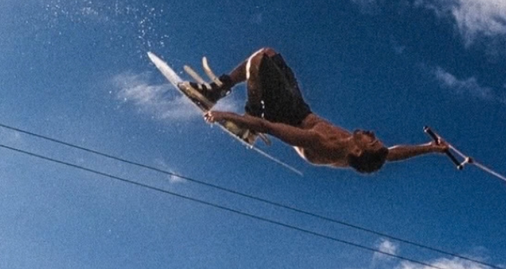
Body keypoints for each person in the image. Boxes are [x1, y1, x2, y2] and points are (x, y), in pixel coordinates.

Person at [187, 48, 448, 174]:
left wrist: (226, 116)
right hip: (301, 107)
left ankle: (219, 98)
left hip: (285, 116)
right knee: (270, 53)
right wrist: (430, 148)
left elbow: (272, 129)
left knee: (258, 62)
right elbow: (392, 155)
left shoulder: (320, 141)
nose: (371, 132)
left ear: (358, 150)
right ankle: (236, 105)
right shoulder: (358, 150)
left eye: (371, 140)